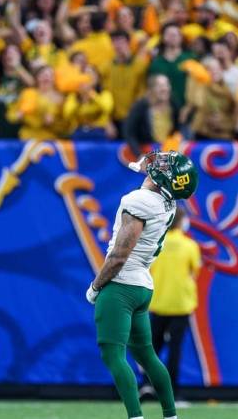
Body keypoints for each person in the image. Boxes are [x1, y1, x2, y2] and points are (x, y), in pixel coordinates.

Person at [86, 150, 199, 419]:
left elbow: (118, 256)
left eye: (164, 164)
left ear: (165, 179)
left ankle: (136, 416)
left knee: (113, 354)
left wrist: (95, 287)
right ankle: (170, 415)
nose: (157, 162)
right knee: (147, 356)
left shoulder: (140, 200)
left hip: (121, 283)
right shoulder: (167, 205)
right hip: (143, 286)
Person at [140, 207, 201, 402]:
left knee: (153, 348)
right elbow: (195, 272)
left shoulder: (157, 243)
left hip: (158, 303)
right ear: (182, 222)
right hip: (181, 305)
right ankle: (171, 393)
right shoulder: (189, 245)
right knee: (175, 349)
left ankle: (147, 386)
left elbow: (147, 269)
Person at [124, 75, 180, 158]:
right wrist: (139, 155)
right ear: (151, 89)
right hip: (148, 153)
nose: (164, 89)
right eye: (160, 86)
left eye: (166, 85)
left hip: (168, 153)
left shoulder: (174, 104)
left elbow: (178, 129)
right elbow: (129, 133)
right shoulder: (141, 106)